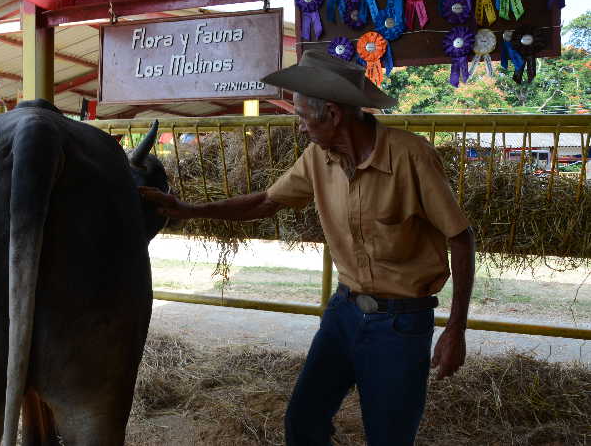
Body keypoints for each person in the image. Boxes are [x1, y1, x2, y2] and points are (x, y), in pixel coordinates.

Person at [139, 49, 475, 446]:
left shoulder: (411, 156)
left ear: (332, 114)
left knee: (389, 438)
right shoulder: (319, 157)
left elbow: (460, 237)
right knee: (302, 423)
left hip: (400, 324)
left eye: (301, 115)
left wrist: (455, 329)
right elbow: (267, 201)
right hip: (344, 312)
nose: (299, 127)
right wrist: (190, 210)